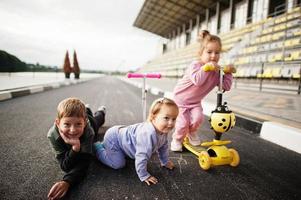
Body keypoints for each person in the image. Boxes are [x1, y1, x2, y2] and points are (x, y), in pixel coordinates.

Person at [170, 30, 236, 152]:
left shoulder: (216, 72)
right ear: (201, 53)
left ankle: (192, 132)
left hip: (195, 102)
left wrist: (228, 73)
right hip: (180, 100)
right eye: (209, 52)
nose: (213, 56)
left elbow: (225, 87)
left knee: (198, 118)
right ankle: (177, 139)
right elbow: (198, 80)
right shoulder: (195, 65)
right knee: (183, 123)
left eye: (217, 53)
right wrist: (206, 68)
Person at [94, 97, 179, 185]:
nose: (171, 123)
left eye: (174, 119)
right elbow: (141, 156)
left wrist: (164, 161)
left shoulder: (163, 129)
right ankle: (98, 147)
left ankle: (111, 147)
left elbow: (163, 146)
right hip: (114, 139)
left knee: (146, 150)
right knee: (118, 164)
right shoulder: (147, 134)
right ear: (153, 117)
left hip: (122, 136)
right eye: (166, 118)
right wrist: (144, 175)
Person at [47, 97, 106, 200]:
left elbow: (85, 163)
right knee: (84, 113)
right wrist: (75, 148)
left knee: (98, 120)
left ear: (84, 123)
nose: (73, 130)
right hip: (84, 117)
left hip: (90, 122)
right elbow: (65, 166)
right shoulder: (52, 135)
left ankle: (100, 111)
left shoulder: (88, 131)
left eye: (78, 124)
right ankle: (86, 109)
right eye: (66, 124)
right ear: (57, 123)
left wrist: (68, 181)